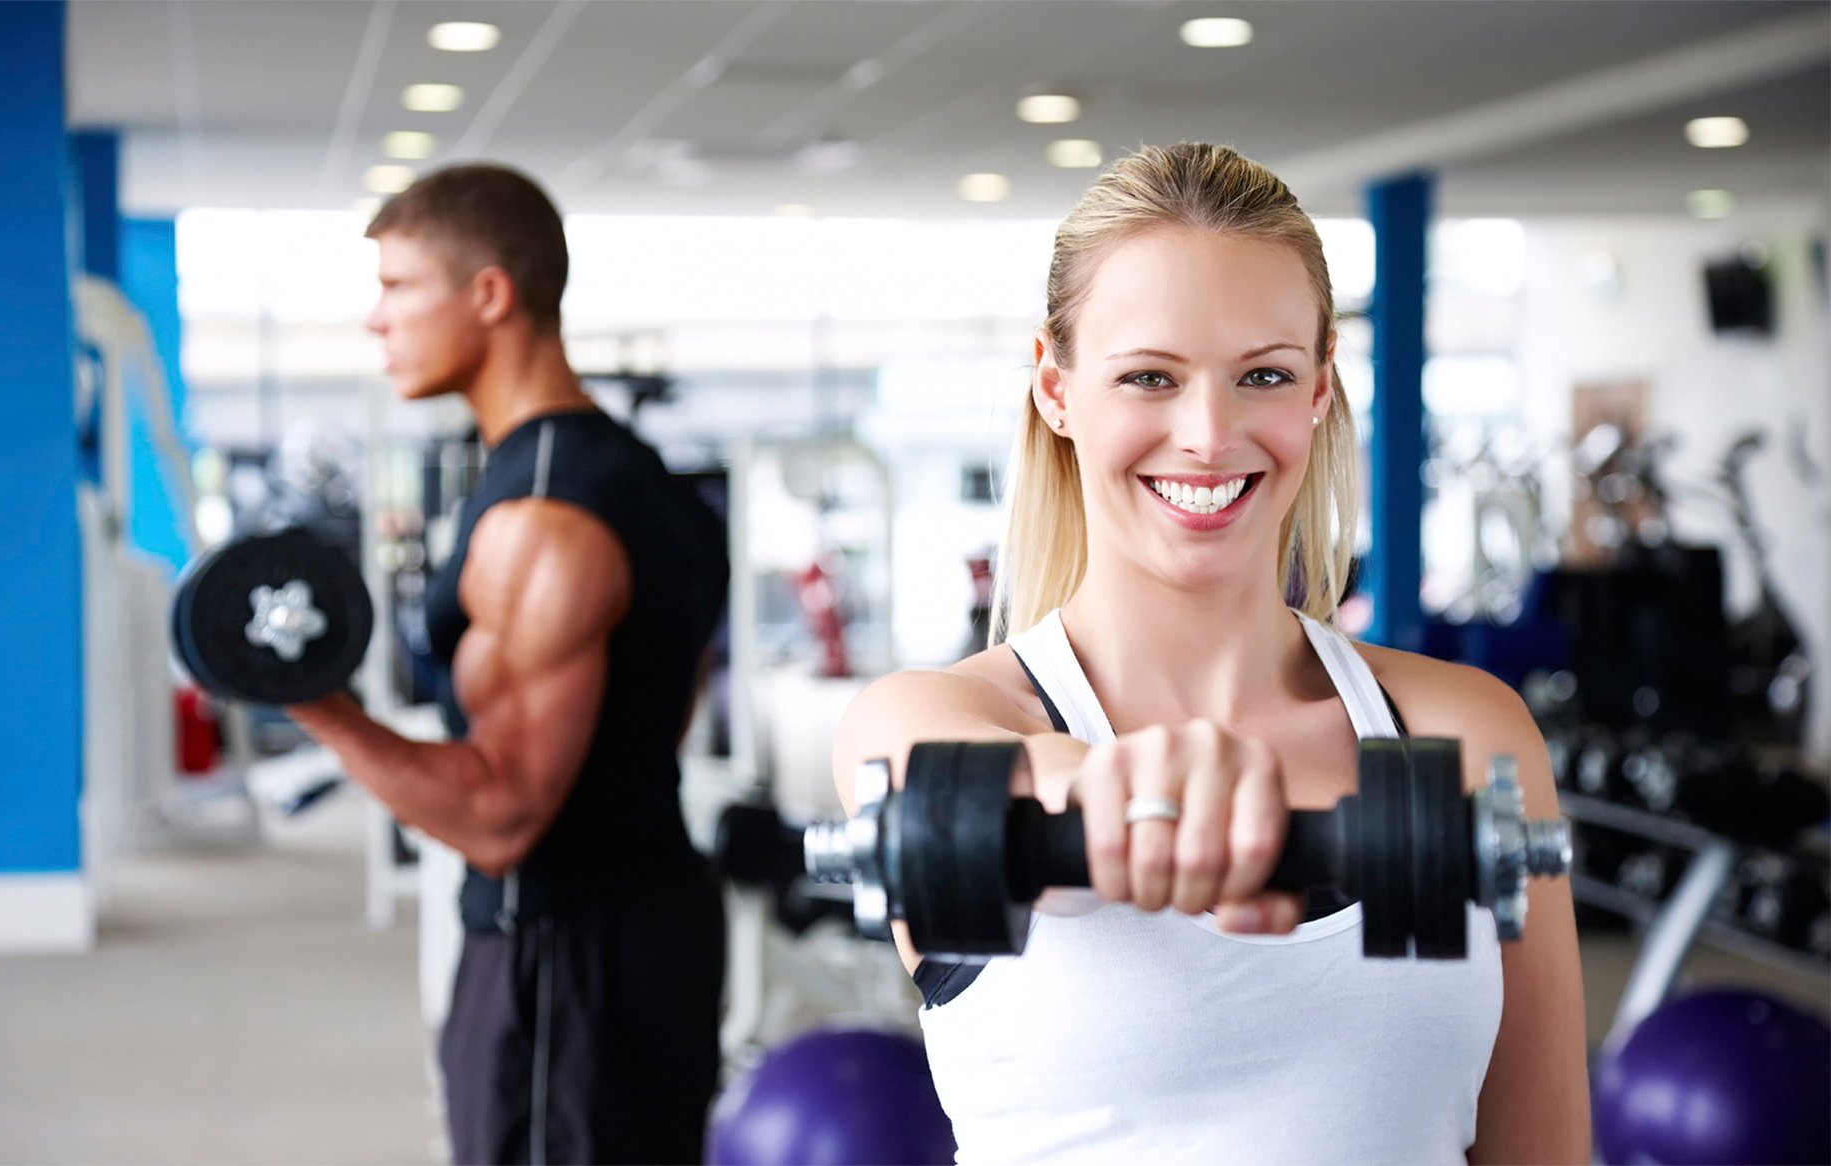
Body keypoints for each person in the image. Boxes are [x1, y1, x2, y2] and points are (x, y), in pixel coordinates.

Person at [831, 143, 1590, 1163]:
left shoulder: (1466, 731)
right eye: (1150, 375)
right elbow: (1005, 791)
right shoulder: (932, 720)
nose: (1208, 432)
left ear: (1319, 391)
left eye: (1263, 375)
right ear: (1056, 388)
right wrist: (1140, 791)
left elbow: (1541, 1149)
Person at [287, 164, 729, 1165]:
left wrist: (321, 709)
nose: (376, 320)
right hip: (646, 922)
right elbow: (661, 713)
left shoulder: (543, 517)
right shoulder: (635, 479)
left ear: (488, 294)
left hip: (564, 961)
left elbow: (500, 813)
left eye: (399, 286)